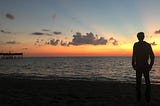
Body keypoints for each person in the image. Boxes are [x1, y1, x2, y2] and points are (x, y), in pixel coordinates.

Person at [132, 32, 155, 103]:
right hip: (141, 66)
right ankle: (143, 97)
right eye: (139, 36)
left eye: (140, 36)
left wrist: (150, 65)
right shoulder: (138, 45)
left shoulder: (145, 45)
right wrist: (133, 64)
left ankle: (144, 97)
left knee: (143, 82)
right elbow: (134, 55)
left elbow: (152, 56)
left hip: (142, 66)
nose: (140, 37)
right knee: (143, 82)